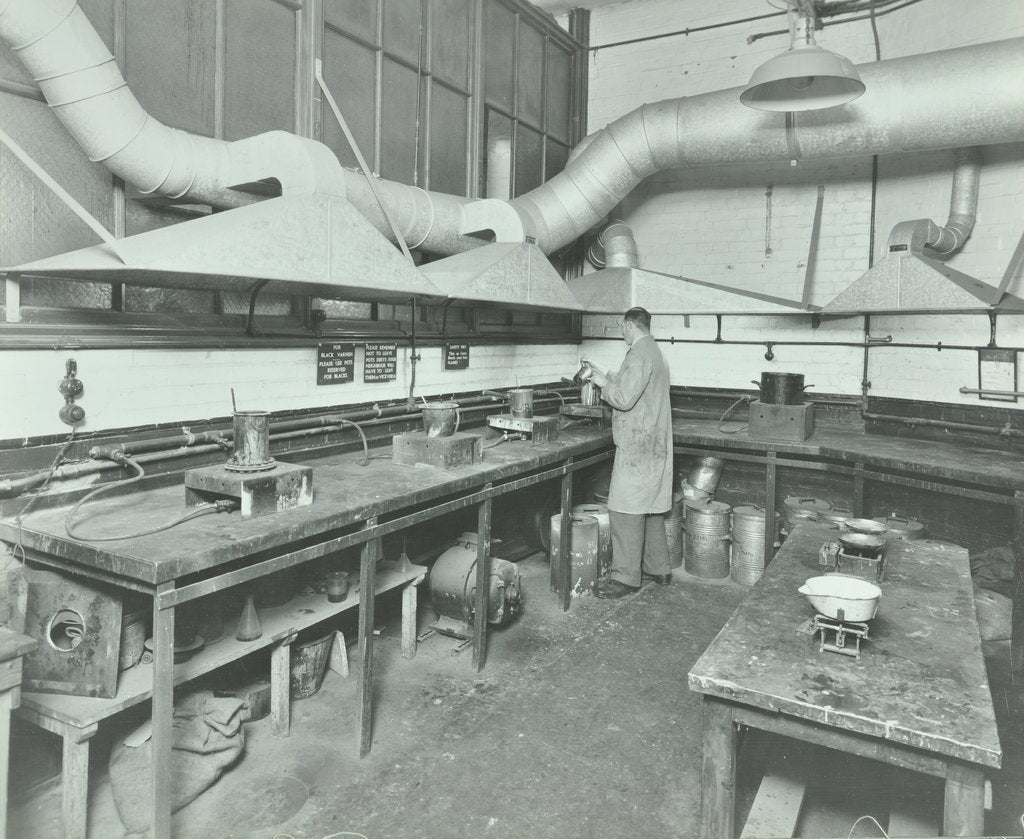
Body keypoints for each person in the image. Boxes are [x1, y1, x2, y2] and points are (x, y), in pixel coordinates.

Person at [583, 307, 673, 599]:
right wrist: (604, 371)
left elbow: (622, 398)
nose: (621, 332)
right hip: (654, 443)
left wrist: (600, 384)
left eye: (622, 327)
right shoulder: (653, 351)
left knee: (623, 509)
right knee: (651, 509)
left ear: (630, 325)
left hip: (638, 446)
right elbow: (634, 383)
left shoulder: (637, 354)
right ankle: (659, 568)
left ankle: (625, 578)